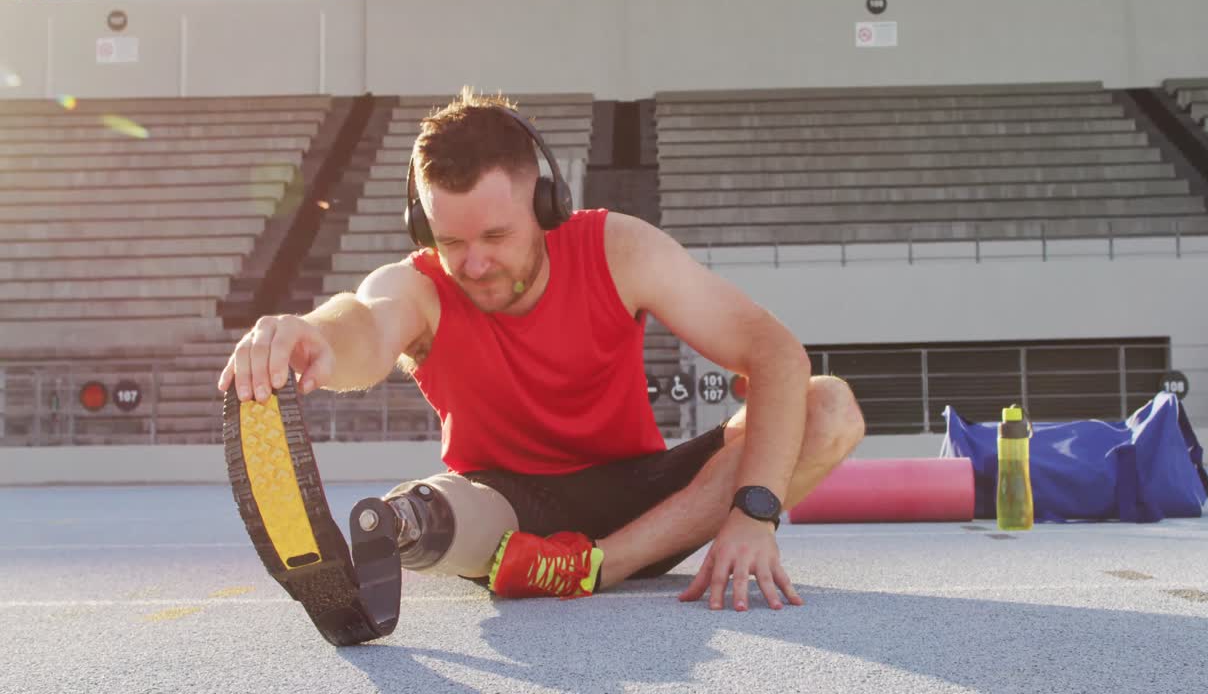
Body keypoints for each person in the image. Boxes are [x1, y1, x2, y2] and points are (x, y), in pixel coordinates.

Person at [217, 87, 865, 612]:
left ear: (547, 204)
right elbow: (363, 320)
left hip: (642, 498)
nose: (473, 264)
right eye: (451, 241)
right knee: (429, 512)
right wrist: (316, 336)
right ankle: (401, 527)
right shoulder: (419, 286)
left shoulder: (619, 250)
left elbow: (776, 353)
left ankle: (601, 568)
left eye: (495, 235)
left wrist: (755, 515)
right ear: (425, 227)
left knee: (829, 407)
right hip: (502, 508)